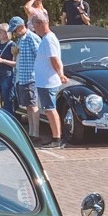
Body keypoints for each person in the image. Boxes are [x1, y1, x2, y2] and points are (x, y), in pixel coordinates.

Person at [32, 12, 67, 147]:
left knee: (50, 110)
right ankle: (56, 137)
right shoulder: (46, 39)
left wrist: (60, 74)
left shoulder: (49, 39)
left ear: (41, 24)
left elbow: (54, 59)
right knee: (48, 109)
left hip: (48, 82)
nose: (34, 28)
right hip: (44, 81)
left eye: (34, 25)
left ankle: (57, 139)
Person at [14, 16, 41, 139]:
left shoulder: (31, 38)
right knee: (28, 106)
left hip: (30, 76)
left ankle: (36, 132)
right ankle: (30, 131)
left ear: (21, 27)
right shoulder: (20, 40)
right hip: (21, 77)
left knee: (33, 104)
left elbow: (39, 56)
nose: (15, 33)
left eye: (15, 30)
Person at [0, 22, 18, 112]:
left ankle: (8, 119)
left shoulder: (12, 45)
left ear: (6, 33)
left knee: (7, 100)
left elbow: (15, 63)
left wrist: (2, 61)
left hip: (7, 74)